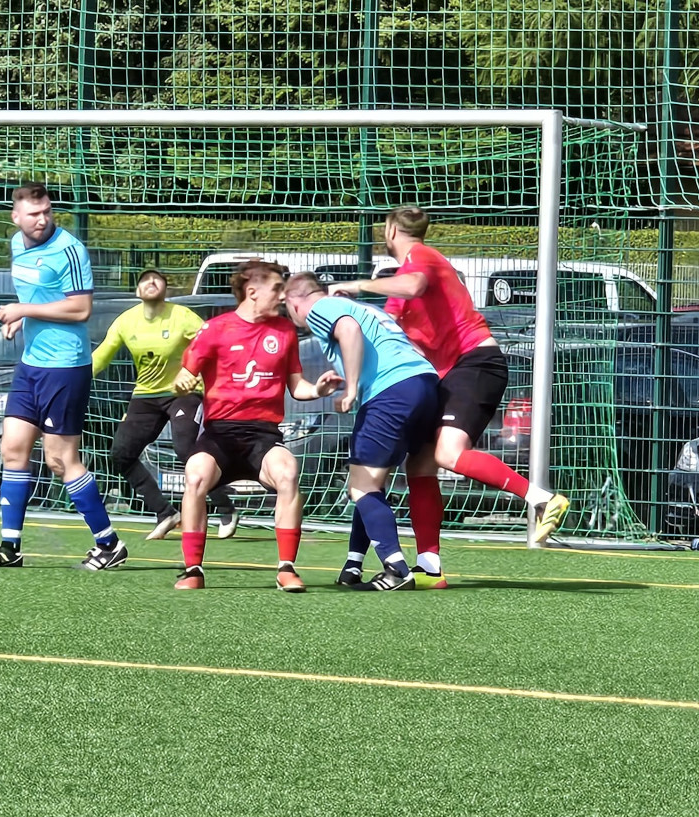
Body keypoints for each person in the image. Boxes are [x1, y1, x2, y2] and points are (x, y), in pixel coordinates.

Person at [329, 206, 569, 570]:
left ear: (391, 231)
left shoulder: (421, 259)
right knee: (420, 465)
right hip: (444, 375)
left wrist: (358, 285)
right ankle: (429, 566)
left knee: (447, 454)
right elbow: (390, 330)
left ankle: (539, 498)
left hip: (475, 364)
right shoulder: (399, 287)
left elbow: (413, 285)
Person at [0, 183, 127, 570]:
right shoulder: (16, 244)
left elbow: (80, 309)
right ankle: (9, 548)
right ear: (16, 217)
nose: (42, 220)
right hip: (31, 364)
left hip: (65, 366)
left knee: (60, 460)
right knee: (13, 450)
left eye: (47, 212)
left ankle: (109, 544)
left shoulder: (69, 249)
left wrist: (24, 309)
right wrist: (22, 316)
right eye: (34, 214)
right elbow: (36, 297)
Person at [171, 260, 342, 591]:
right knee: (195, 474)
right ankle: (193, 571)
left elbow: (298, 387)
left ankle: (286, 569)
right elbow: (186, 373)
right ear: (251, 292)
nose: (282, 296)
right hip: (220, 434)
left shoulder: (284, 331)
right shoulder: (215, 329)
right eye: (276, 288)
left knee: (288, 472)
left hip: (262, 437)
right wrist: (183, 381)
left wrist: (318, 389)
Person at [284, 272, 440, 591]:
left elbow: (348, 330)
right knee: (368, 481)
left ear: (293, 301)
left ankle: (396, 568)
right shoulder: (372, 310)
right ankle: (353, 564)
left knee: (360, 488)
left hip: (390, 391)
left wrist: (352, 387)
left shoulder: (321, 306)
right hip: (424, 383)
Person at [91, 268, 239, 541]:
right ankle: (165, 512)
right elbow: (102, 354)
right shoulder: (126, 321)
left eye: (157, 279)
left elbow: (210, 343)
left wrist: (201, 374)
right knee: (121, 453)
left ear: (166, 290)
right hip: (146, 395)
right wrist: (76, 376)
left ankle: (226, 507)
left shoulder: (181, 316)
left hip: (184, 391)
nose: (151, 282)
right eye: (145, 279)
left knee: (187, 450)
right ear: (137, 292)